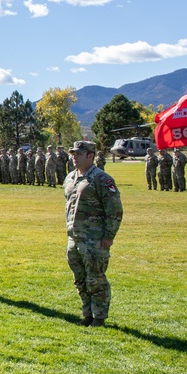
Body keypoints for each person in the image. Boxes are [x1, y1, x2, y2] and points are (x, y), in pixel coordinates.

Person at [64, 140, 123, 327]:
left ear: (90, 156)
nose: (74, 157)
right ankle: (87, 314)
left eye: (78, 154)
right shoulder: (70, 178)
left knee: (95, 279)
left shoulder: (101, 179)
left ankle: (99, 317)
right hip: (74, 238)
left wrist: (109, 236)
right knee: (80, 279)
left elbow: (115, 210)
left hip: (94, 240)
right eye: (73, 154)